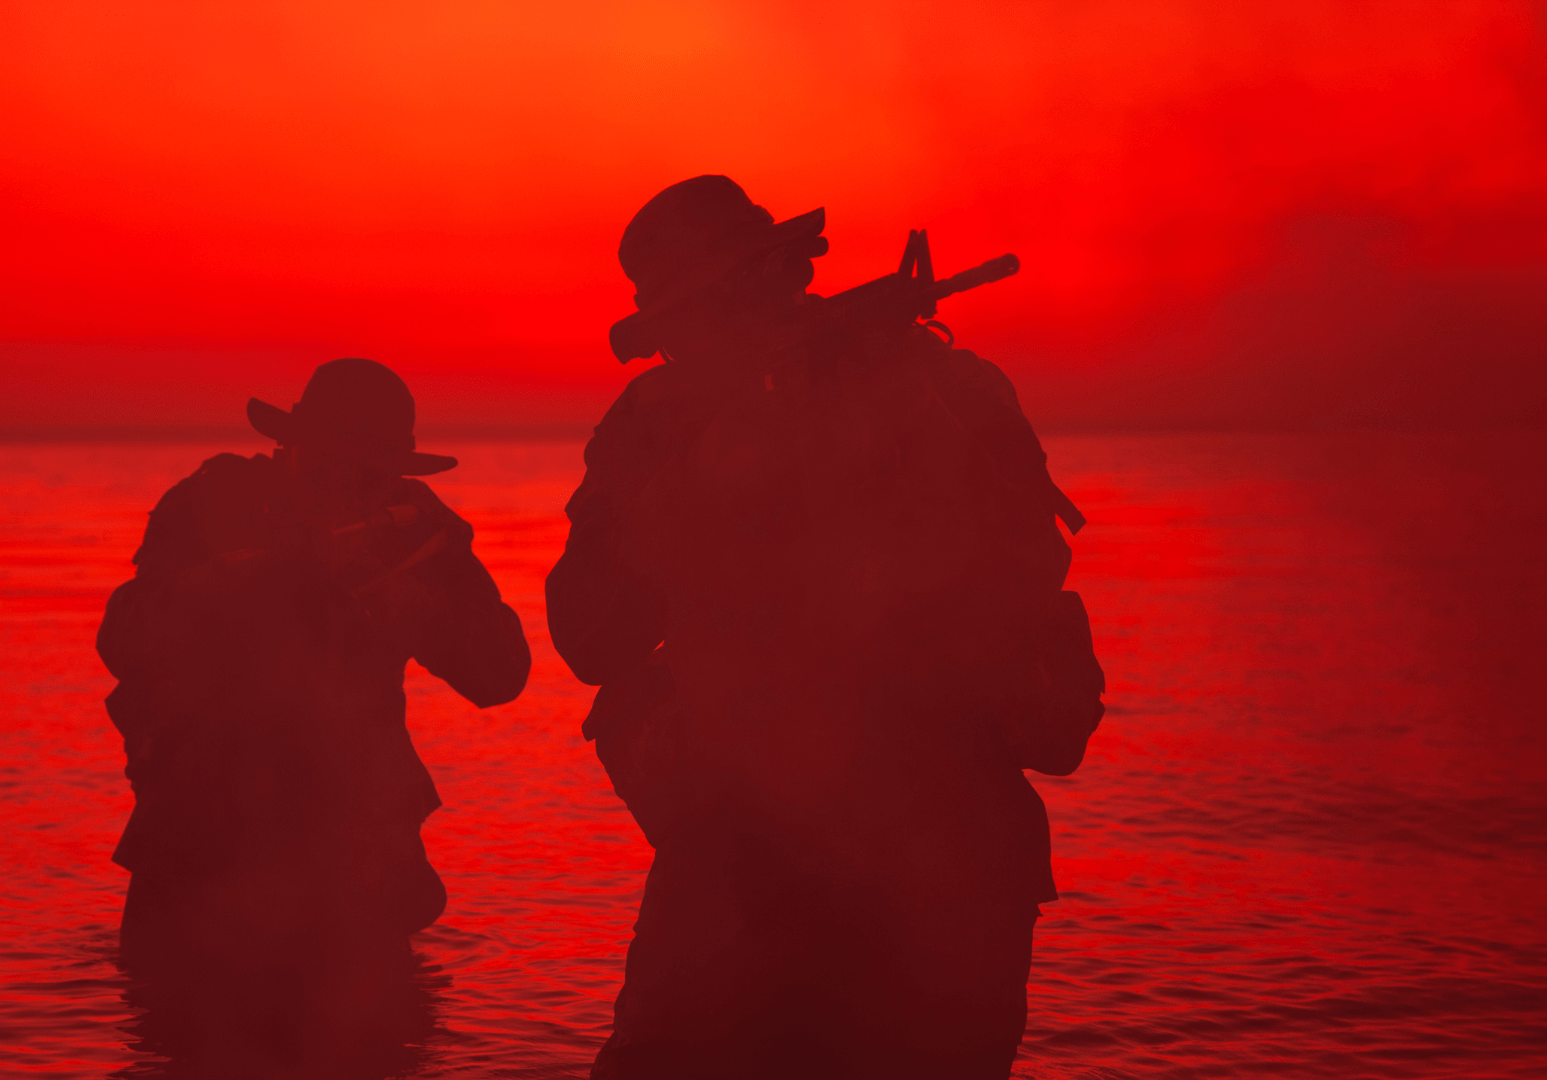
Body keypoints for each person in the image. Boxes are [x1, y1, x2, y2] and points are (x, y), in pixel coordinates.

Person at [546, 176, 1106, 1079]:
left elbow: (1026, 573)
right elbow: (588, 638)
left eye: (715, 310)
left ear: (780, 279)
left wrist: (866, 444)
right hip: (740, 862)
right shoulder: (660, 429)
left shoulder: (938, 389)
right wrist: (707, 473)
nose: (694, 346)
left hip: (938, 857)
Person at [96, 357, 530, 1073]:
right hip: (199, 848)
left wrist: (410, 605)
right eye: (332, 465)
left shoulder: (415, 526)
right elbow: (123, 639)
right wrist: (238, 583)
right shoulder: (216, 502)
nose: (347, 487)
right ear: (290, 447)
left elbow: (502, 674)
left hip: (350, 861)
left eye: (369, 473)